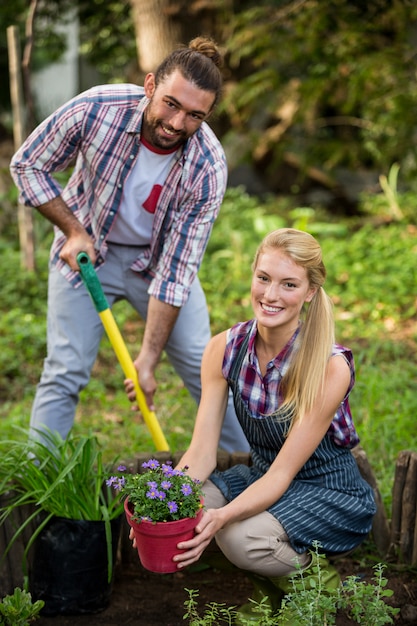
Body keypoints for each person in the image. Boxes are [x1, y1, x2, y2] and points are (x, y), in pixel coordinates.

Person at [9, 36, 249, 453]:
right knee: (65, 369)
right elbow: (28, 163)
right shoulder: (98, 109)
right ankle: (37, 482)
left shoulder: (207, 167)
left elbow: (176, 274)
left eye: (194, 115)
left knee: (204, 366)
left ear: (208, 114)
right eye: (171, 104)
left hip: (158, 264)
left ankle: (247, 468)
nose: (176, 124)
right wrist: (72, 229)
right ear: (151, 85)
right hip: (87, 254)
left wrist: (148, 358)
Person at [127, 228, 376, 621]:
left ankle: (315, 588)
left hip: (327, 491)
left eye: (289, 284)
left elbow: (282, 474)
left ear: (310, 291)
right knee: (194, 503)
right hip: (264, 477)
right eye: (264, 278)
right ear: (253, 275)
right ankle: (271, 594)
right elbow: (202, 452)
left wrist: (224, 518)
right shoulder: (224, 349)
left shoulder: (330, 366)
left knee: (236, 536)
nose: (271, 295)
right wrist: (159, 506)